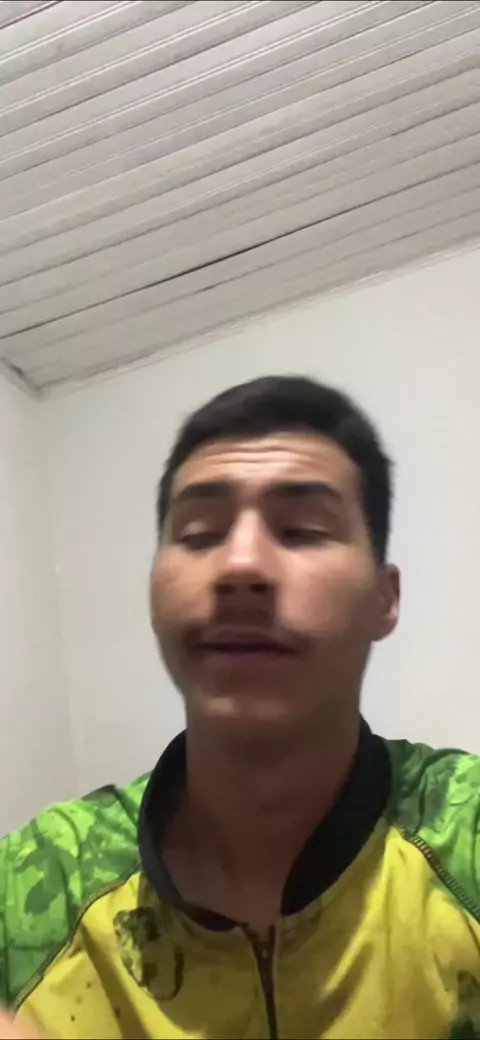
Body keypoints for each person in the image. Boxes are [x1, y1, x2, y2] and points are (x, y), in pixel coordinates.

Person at [1, 374, 480, 1040]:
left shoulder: (463, 835)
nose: (240, 565)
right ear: (153, 593)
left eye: (302, 530)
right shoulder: (38, 886)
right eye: (200, 534)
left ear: (385, 598)